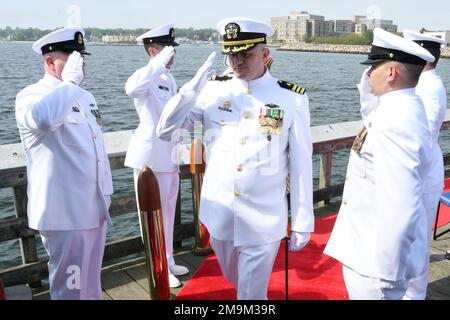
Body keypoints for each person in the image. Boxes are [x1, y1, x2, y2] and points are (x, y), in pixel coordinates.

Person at [157, 17, 314, 300]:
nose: (237, 61)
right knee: (238, 282)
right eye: (231, 54)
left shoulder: (291, 98)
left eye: (246, 53)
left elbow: (302, 164)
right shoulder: (212, 90)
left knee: (251, 295)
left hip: (264, 218)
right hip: (220, 216)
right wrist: (189, 91)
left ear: (265, 54)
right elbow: (166, 131)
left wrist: (303, 220)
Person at [324, 28, 435, 300]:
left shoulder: (395, 120)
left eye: (373, 66)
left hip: (375, 264)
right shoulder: (399, 107)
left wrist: (389, 274)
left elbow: (401, 204)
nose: (368, 72)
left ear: (391, 73)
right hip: (367, 249)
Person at [15, 27, 113, 299]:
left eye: (81, 58)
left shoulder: (85, 97)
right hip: (64, 213)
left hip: (94, 207)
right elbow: (43, 120)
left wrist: (106, 195)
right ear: (49, 62)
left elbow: (95, 150)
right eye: (71, 58)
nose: (79, 64)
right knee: (70, 286)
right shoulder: (31, 95)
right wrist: (69, 83)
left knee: (91, 281)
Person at [124, 23, 188, 288]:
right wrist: (157, 63)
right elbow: (132, 89)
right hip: (150, 158)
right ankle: (158, 265)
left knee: (169, 212)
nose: (172, 55)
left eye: (172, 50)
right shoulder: (145, 75)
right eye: (167, 50)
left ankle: (169, 259)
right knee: (153, 217)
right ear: (153, 50)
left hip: (169, 156)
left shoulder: (168, 79)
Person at [402, 30, 448, 300]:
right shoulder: (422, 83)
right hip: (419, 169)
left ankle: (415, 294)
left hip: (423, 170)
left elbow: (425, 134)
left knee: (418, 238)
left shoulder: (430, 86)